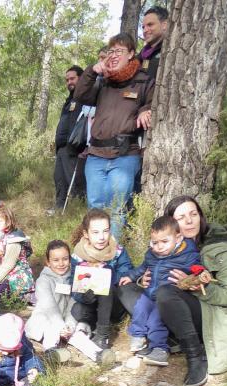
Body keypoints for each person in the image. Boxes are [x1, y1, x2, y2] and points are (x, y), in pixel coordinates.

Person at [152, 196, 227, 386]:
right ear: (172, 224)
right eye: (181, 217)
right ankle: (171, 336)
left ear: (201, 217)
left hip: (212, 311)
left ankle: (195, 357)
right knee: (130, 290)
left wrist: (202, 289)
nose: (189, 221)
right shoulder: (165, 245)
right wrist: (142, 279)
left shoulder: (220, 247)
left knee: (166, 294)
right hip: (180, 304)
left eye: (193, 214)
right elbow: (149, 271)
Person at [73, 33, 154, 240]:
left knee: (116, 208)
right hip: (96, 155)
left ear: (131, 54)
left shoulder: (143, 81)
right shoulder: (103, 82)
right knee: (95, 206)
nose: (114, 55)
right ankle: (94, 251)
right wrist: (92, 71)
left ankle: (112, 252)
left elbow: (153, 102)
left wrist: (146, 109)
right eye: (111, 51)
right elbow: (80, 95)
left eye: (119, 51)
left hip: (124, 155)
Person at [122, 215, 201, 366]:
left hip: (165, 299)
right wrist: (131, 277)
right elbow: (143, 268)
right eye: (155, 242)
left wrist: (195, 277)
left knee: (155, 321)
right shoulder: (152, 254)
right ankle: (138, 336)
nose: (159, 247)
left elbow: (197, 268)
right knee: (139, 309)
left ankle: (160, 349)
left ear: (178, 238)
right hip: (149, 293)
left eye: (165, 242)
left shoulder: (187, 255)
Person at [70, 208, 133, 351]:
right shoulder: (77, 257)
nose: (102, 237)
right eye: (96, 232)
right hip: (93, 304)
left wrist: (106, 274)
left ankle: (102, 335)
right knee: (77, 310)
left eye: (106, 231)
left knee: (104, 281)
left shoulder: (118, 251)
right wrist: (85, 296)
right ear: (86, 234)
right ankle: (89, 326)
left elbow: (127, 272)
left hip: (114, 302)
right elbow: (73, 286)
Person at [25, 240, 76, 360]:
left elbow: (73, 306)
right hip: (46, 319)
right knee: (51, 328)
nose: (61, 263)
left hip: (65, 322)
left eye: (65, 259)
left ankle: (98, 353)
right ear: (48, 262)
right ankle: (50, 352)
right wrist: (61, 326)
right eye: (56, 260)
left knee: (77, 332)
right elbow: (49, 307)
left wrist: (69, 325)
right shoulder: (43, 281)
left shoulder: (75, 279)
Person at [0, 202, 35, 302]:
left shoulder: (13, 240)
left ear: (8, 222)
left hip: (15, 282)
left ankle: (27, 297)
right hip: (0, 279)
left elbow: (8, 265)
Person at [53, 66, 86, 210]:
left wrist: (76, 145)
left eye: (72, 78)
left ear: (81, 78)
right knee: (59, 179)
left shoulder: (85, 98)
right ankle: (59, 208)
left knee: (73, 181)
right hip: (61, 147)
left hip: (73, 148)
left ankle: (76, 209)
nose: (69, 82)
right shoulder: (69, 100)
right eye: (67, 80)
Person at [139, 6, 169, 81]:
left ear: (164, 25)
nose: (145, 30)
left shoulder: (170, 50)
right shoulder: (142, 54)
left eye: (150, 25)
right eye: (143, 27)